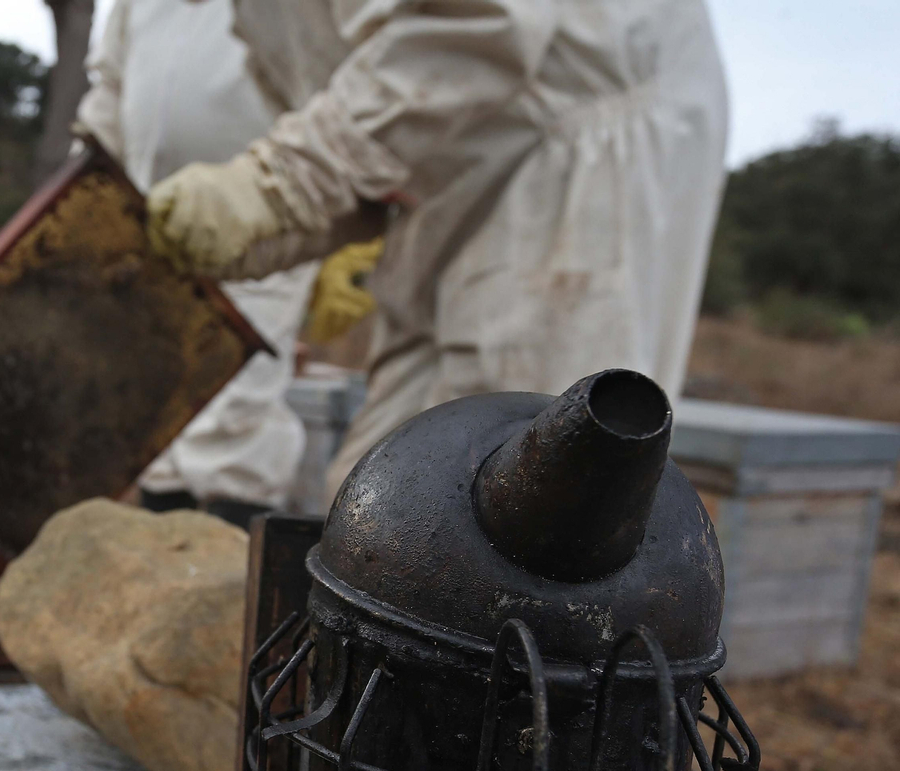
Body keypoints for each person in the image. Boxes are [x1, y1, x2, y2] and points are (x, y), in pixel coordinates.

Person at [147, 0, 731, 500]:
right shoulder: (249, 20)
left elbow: (482, 23)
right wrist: (244, 233)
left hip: (576, 147)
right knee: (378, 491)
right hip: (448, 186)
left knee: (512, 485)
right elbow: (366, 160)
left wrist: (276, 184)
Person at [75, 0, 330, 528]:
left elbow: (334, 84)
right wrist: (91, 183)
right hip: (147, 221)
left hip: (260, 217)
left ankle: (229, 551)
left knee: (237, 407)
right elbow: (112, 85)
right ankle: (169, 553)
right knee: (155, 398)